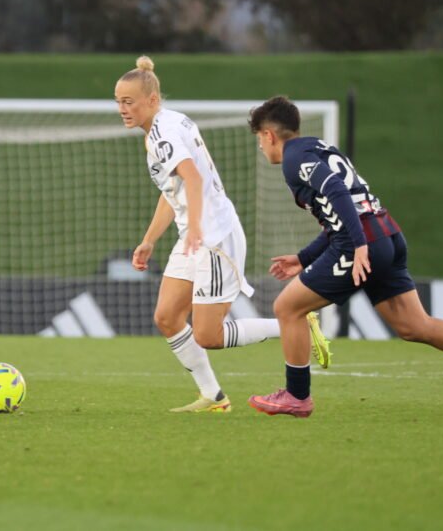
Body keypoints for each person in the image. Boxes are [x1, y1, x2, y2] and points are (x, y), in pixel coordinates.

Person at [245, 95, 443, 418]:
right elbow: (342, 212)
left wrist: (359, 245)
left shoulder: (294, 159)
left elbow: (336, 191)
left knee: (287, 307)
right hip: (387, 235)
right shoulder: (320, 148)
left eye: (259, 139)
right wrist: (304, 257)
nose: (261, 147)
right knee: (414, 325)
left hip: (361, 244)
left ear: (269, 135)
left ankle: (297, 396)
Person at [116, 58, 332, 413]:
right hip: (196, 234)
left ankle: (295, 324)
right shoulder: (169, 122)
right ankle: (213, 397)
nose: (123, 109)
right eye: (119, 102)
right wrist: (150, 239)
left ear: (152, 99)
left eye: (129, 101)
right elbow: (175, 189)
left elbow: (194, 178)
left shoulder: (162, 134)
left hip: (213, 236)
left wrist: (197, 228)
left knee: (209, 335)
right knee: (167, 316)